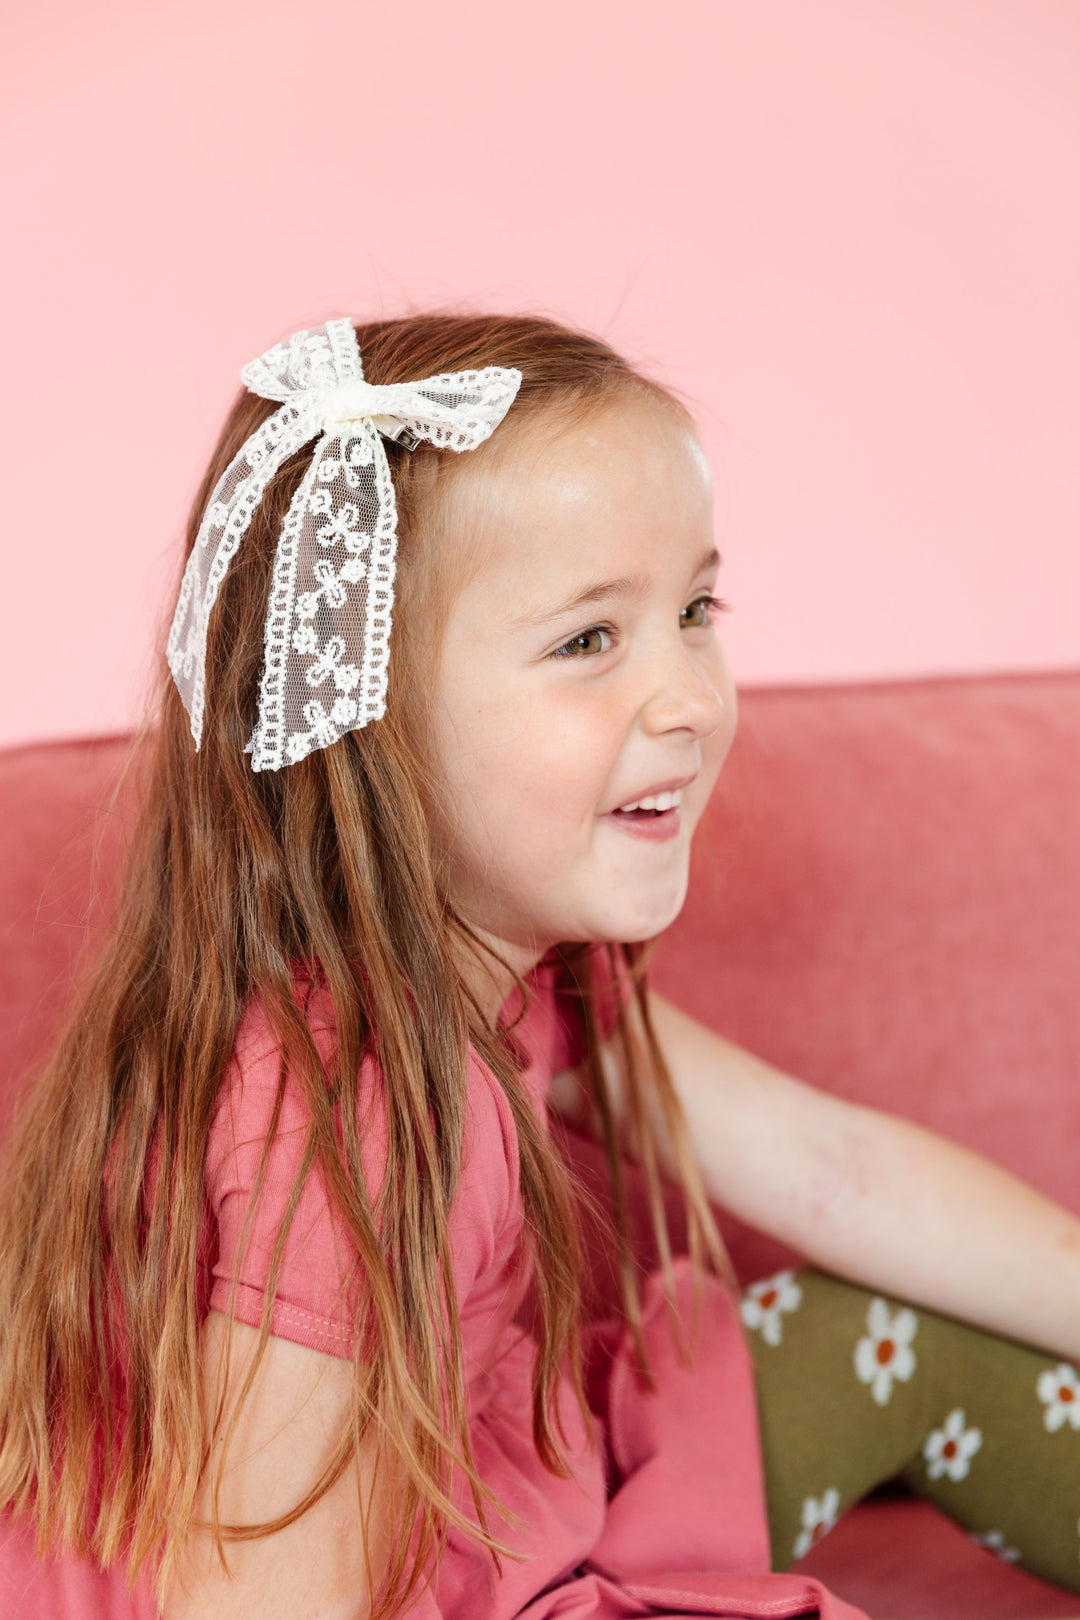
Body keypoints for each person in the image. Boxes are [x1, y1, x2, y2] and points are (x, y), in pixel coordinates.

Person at [0, 312, 1076, 1620]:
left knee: (897, 1336)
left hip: (499, 1502)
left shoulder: (522, 971)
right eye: (588, 643)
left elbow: (842, 1173)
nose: (688, 697)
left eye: (693, 611)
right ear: (368, 722)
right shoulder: (357, 1112)